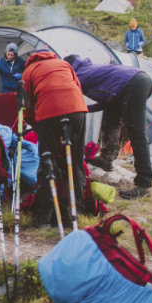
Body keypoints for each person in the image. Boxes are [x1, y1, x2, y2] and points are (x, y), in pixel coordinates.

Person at [65, 55, 152, 198]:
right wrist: (86, 109)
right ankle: (107, 158)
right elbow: (107, 101)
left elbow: (69, 100)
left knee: (137, 134)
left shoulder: (80, 76)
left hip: (134, 86)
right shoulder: (90, 71)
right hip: (135, 83)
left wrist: (76, 110)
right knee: (111, 117)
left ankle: (144, 184)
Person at [22, 47, 88, 221]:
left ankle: (44, 216)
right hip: (77, 109)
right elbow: (77, 88)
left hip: (48, 112)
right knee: (76, 161)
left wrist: (37, 127)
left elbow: (27, 105)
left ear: (32, 58)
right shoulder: (64, 64)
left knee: (47, 161)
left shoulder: (29, 71)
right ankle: (77, 212)